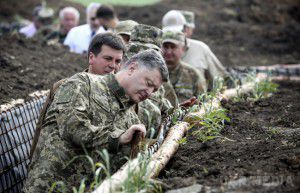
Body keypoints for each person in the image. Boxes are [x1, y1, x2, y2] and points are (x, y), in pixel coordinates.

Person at [23, 49, 168, 192]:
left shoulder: (132, 118)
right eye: (148, 83)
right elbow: (72, 127)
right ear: (132, 68)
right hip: (49, 186)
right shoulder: (82, 84)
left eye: (154, 90)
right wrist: (117, 138)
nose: (149, 92)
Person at [162, 10, 229, 90]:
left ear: (185, 29)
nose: (173, 35)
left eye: (177, 31)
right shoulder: (156, 52)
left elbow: (221, 81)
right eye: (168, 32)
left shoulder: (200, 49)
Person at [162, 30, 206, 102]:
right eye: (165, 47)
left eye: (173, 47)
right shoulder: (153, 73)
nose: (169, 51)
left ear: (183, 49)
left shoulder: (193, 74)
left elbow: (203, 103)